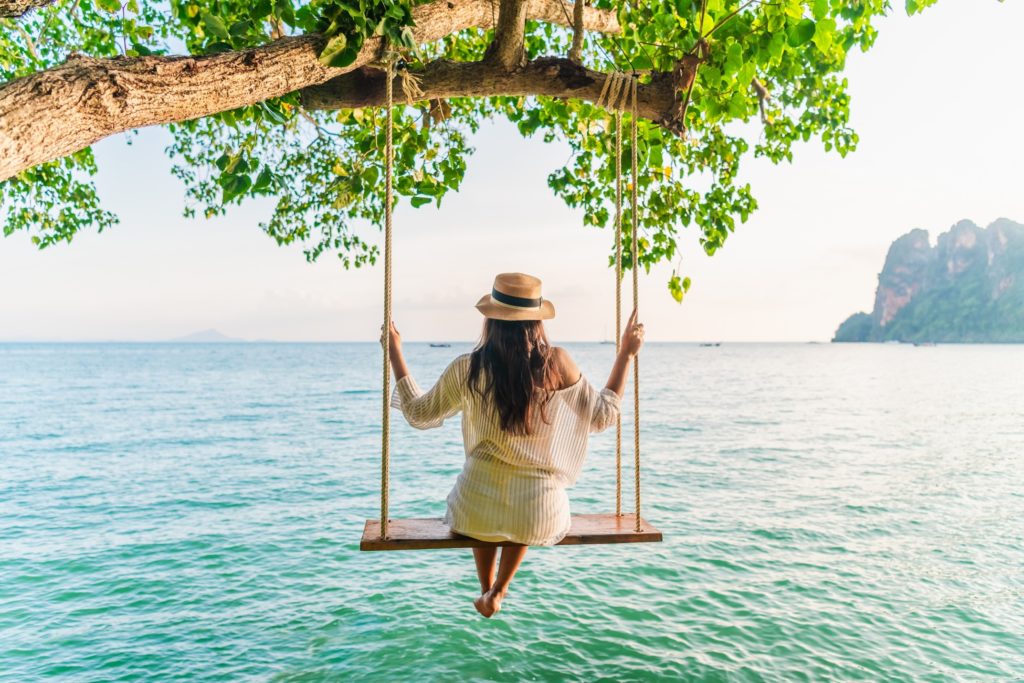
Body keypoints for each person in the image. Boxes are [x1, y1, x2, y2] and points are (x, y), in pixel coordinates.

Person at [384, 272, 645, 618]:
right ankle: (500, 589)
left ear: (491, 320)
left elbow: (419, 413)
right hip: (539, 515)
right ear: (537, 321)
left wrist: (394, 353)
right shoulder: (558, 364)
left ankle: (486, 589)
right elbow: (601, 416)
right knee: (528, 498)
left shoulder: (469, 368)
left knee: (485, 493)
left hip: (472, 510)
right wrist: (626, 354)